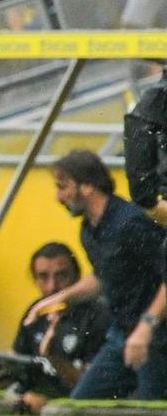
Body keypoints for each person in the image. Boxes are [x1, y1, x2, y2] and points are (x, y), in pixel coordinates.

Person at [34, 150, 167, 399]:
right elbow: (102, 278)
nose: (58, 197)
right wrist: (60, 298)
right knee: (80, 407)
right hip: (122, 334)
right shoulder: (88, 229)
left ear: (87, 186)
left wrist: (146, 328)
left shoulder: (131, 224)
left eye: (63, 187)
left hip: (156, 335)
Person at [0, 243, 110, 414]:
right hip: (32, 396)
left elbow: (94, 382)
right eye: (43, 277)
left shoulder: (97, 315)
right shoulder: (35, 313)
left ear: (77, 277)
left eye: (62, 276)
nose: (52, 286)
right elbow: (13, 367)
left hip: (75, 401)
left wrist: (51, 360)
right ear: (34, 279)